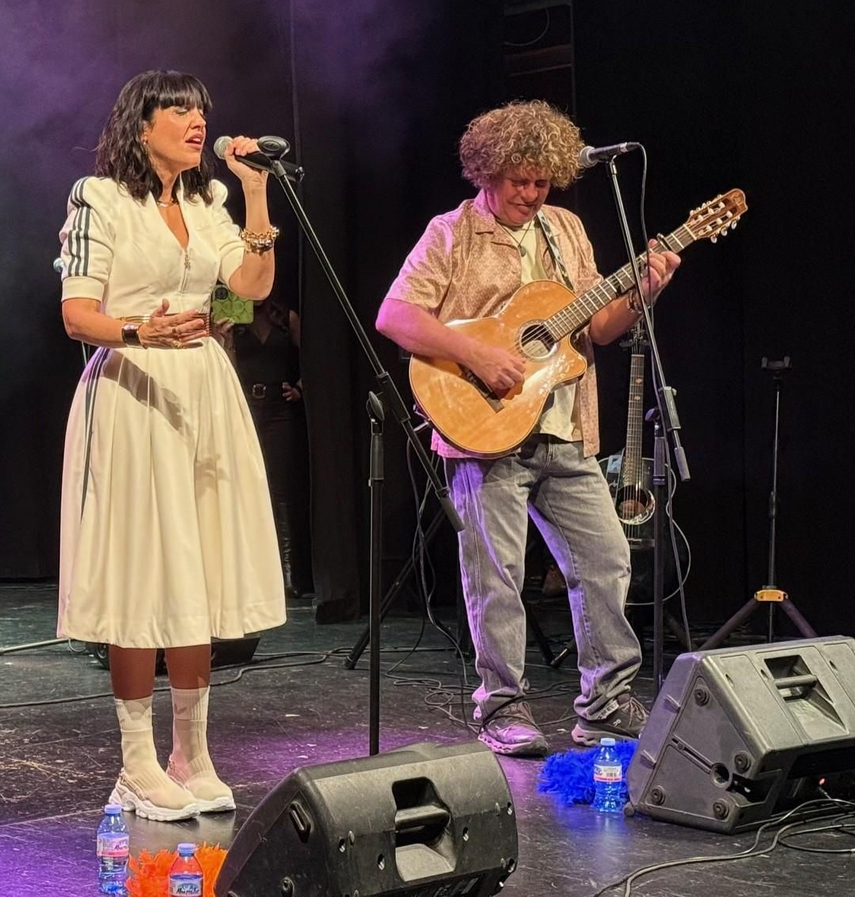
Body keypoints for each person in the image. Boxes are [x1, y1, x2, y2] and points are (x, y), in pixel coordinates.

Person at [375, 100, 680, 757]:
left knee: (606, 561)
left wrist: (645, 289)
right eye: (520, 179)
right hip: (484, 433)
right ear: (486, 170)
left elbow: (596, 326)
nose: (531, 193)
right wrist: (478, 354)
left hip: (566, 431)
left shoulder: (565, 229)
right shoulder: (450, 233)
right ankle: (501, 708)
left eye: (543, 181)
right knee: (497, 578)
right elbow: (396, 315)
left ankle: (603, 704)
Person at [57, 70, 287, 821]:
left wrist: (254, 192)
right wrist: (142, 331)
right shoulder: (100, 198)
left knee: (198, 569)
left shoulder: (210, 200)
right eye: (181, 109)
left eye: (203, 109)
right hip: (131, 390)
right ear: (141, 123)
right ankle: (135, 764)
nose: (198, 121)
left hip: (202, 389)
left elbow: (244, 291)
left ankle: (191, 754)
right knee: (141, 573)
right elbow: (77, 315)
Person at [231, 297, 312, 597]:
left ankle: (289, 574)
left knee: (282, 493)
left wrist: (300, 388)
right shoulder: (232, 318)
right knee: (244, 490)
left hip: (279, 410)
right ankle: (251, 577)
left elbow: (314, 358)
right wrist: (224, 336)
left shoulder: (285, 317)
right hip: (244, 408)